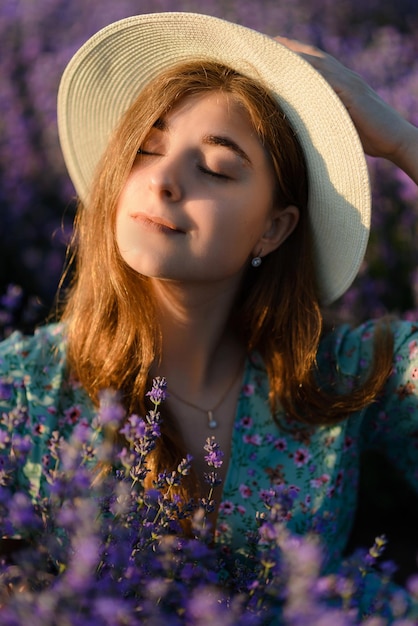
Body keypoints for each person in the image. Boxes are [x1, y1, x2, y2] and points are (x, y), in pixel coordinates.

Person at [1, 11, 418, 582]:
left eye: (217, 169)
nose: (164, 178)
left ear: (274, 228)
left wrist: (400, 141)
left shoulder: (338, 379)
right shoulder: (24, 391)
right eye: (146, 149)